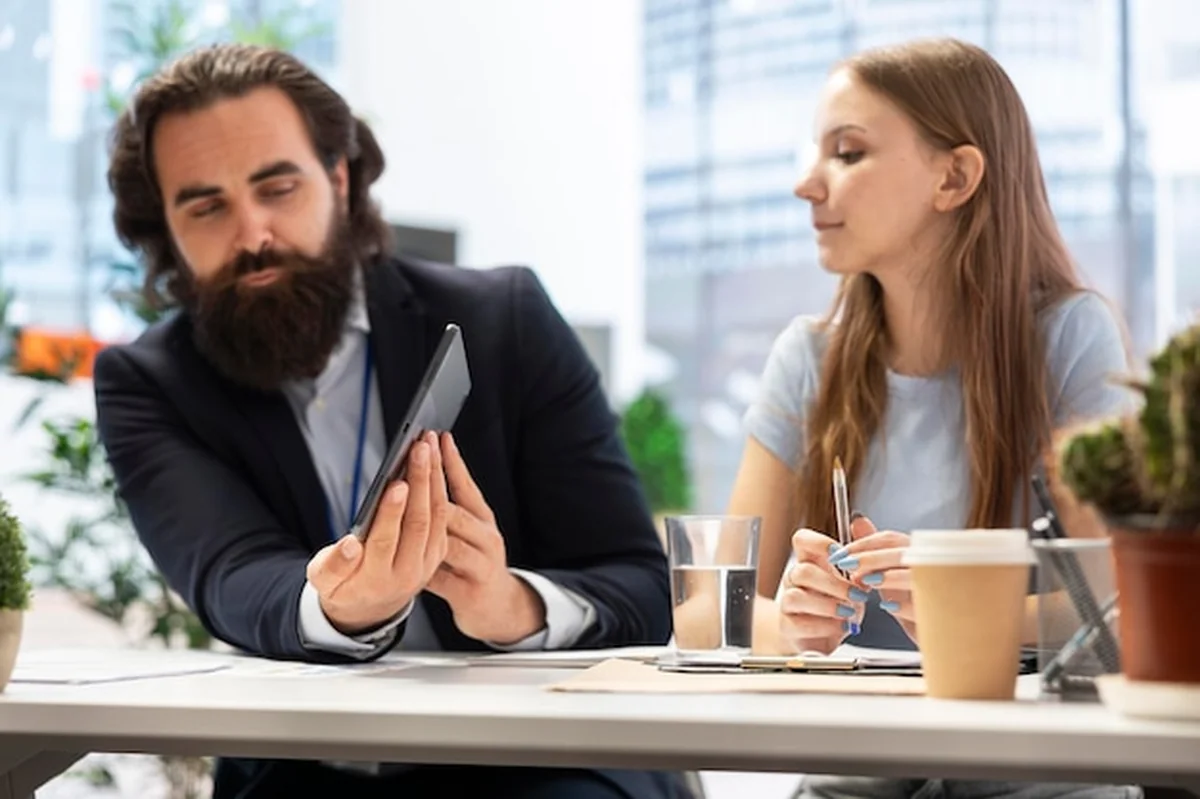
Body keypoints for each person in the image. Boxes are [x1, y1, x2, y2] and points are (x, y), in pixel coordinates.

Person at [94, 43, 686, 799]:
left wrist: (508, 603)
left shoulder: (504, 318)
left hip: (541, 758)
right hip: (309, 769)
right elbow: (229, 573)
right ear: (166, 229)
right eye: (206, 206)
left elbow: (641, 584)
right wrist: (343, 604)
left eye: (278, 187)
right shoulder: (149, 382)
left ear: (339, 178)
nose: (253, 234)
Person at [726, 38, 1141, 799]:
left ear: (955, 177)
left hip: (1040, 782)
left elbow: (1121, 607)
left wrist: (967, 612)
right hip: (854, 783)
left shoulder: (1070, 338)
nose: (806, 185)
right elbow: (705, 609)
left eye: (847, 153)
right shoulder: (806, 359)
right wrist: (787, 623)